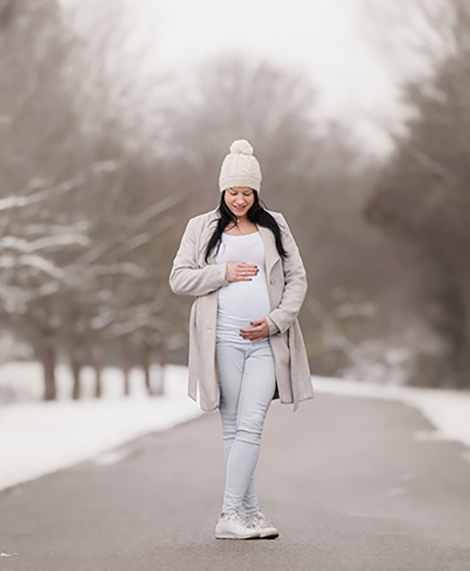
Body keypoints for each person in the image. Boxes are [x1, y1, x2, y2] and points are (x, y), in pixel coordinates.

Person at [169, 139, 313, 540]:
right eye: (233, 192)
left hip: (266, 341)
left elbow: (297, 279)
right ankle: (246, 514)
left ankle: (230, 513)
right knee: (234, 427)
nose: (239, 199)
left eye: (246, 192)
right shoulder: (200, 227)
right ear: (222, 190)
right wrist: (223, 273)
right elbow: (179, 279)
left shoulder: (275, 225)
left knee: (250, 424)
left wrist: (275, 321)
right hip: (223, 342)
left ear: (256, 192)